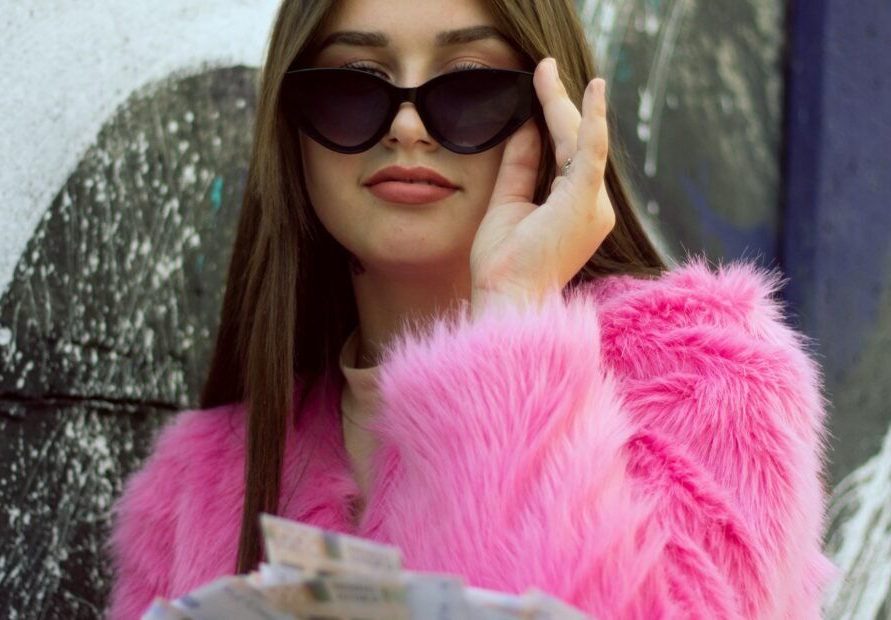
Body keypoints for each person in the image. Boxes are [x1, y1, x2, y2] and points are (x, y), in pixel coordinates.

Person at [107, 0, 835, 617]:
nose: (407, 126)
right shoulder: (198, 487)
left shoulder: (708, 380)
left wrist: (513, 323)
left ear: (553, 116)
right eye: (353, 84)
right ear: (290, 132)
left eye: (470, 85)